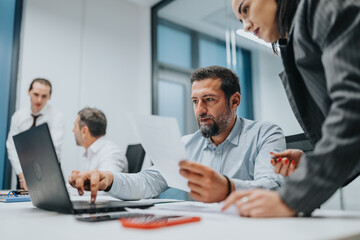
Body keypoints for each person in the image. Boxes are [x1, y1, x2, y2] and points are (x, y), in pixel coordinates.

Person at [222, 0, 360, 217]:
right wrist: (311, 162)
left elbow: (352, 109)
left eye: (246, 9)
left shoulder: (323, 7)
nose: (246, 25)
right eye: (240, 20)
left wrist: (292, 198)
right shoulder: (297, 38)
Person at [69, 66, 285, 203]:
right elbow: (148, 182)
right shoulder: (186, 144)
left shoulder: (265, 133)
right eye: (195, 101)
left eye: (209, 100)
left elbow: (273, 186)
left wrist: (227, 187)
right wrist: (109, 180)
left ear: (234, 101)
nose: (200, 110)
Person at [6, 78, 65, 190]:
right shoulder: (18, 117)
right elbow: (12, 146)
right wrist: (22, 175)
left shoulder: (56, 116)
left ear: (49, 96)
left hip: (49, 168)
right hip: (23, 170)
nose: (39, 100)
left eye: (44, 96)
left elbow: (54, 147)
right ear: (29, 92)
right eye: (36, 94)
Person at [72, 107, 128, 174]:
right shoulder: (90, 153)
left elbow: (105, 183)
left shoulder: (111, 152)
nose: (73, 130)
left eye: (75, 127)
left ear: (84, 131)